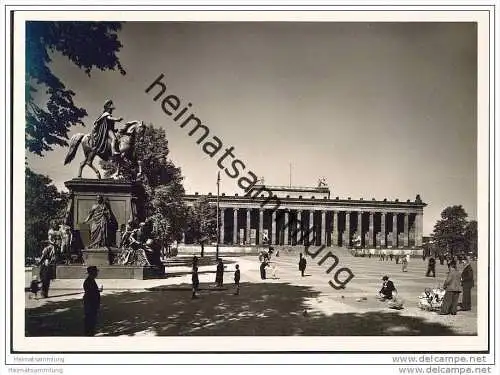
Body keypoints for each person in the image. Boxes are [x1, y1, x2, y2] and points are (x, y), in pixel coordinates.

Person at [83, 266, 102, 336]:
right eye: (96, 272)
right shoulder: (88, 281)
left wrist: (98, 290)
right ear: (92, 273)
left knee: (91, 322)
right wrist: (97, 291)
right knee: (90, 322)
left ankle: (90, 334)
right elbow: (90, 293)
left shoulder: (91, 280)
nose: (97, 273)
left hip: (92, 305)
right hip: (90, 305)